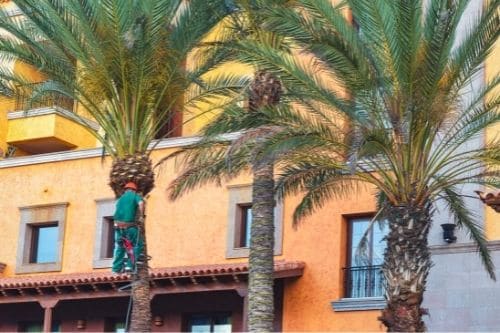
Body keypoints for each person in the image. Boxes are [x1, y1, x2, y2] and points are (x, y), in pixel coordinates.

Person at [112, 181, 145, 274]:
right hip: (129, 226)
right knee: (138, 244)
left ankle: (116, 268)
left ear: (125, 190)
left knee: (120, 246)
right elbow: (141, 203)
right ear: (134, 190)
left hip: (117, 227)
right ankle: (129, 266)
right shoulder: (134, 196)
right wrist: (141, 216)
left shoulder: (120, 199)